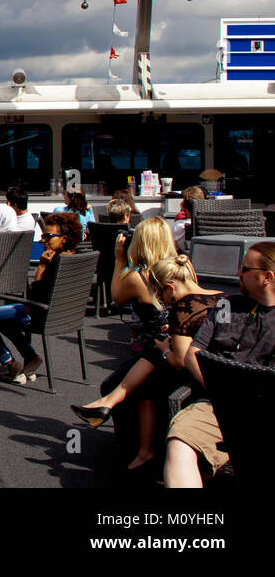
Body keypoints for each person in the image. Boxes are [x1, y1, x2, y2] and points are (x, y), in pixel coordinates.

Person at [72, 254, 223, 471]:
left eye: (162, 295)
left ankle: (123, 426)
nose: (164, 301)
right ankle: (115, 414)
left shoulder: (183, 308)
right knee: (152, 364)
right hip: (220, 368)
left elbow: (180, 361)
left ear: (170, 287)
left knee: (151, 363)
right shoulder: (221, 296)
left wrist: (164, 349)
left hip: (198, 374)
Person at [164, 243, 275, 487]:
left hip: (264, 415)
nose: (238, 273)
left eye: (245, 268)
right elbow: (194, 353)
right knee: (180, 443)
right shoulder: (227, 306)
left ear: (267, 277)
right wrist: (223, 391)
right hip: (216, 405)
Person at [0, 212, 81, 382]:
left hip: (38, 314)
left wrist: (42, 266)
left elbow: (34, 295)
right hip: (67, 316)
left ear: (65, 238)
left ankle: (10, 362)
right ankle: (28, 357)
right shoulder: (77, 258)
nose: (43, 240)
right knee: (0, 319)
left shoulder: (54, 264)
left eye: (48, 236)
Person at [113, 217, 173, 355]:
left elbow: (117, 297)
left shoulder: (138, 278)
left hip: (153, 349)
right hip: (177, 343)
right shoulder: (183, 268)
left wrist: (119, 260)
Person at [171, 186, 205, 253]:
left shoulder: (179, 226)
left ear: (183, 204)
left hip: (188, 259)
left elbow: (172, 249)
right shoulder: (209, 223)